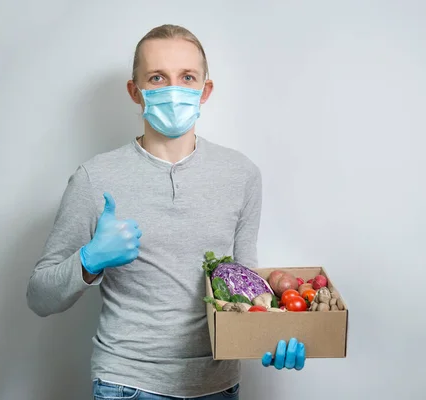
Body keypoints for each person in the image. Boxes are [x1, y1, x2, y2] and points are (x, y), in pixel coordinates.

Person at [26, 24, 306, 399]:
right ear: (135, 91)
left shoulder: (241, 175)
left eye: (187, 77)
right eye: (157, 77)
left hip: (219, 386)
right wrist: (89, 261)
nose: (173, 90)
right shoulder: (95, 178)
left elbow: (245, 289)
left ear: (205, 90)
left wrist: (271, 338)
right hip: (126, 385)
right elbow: (40, 297)